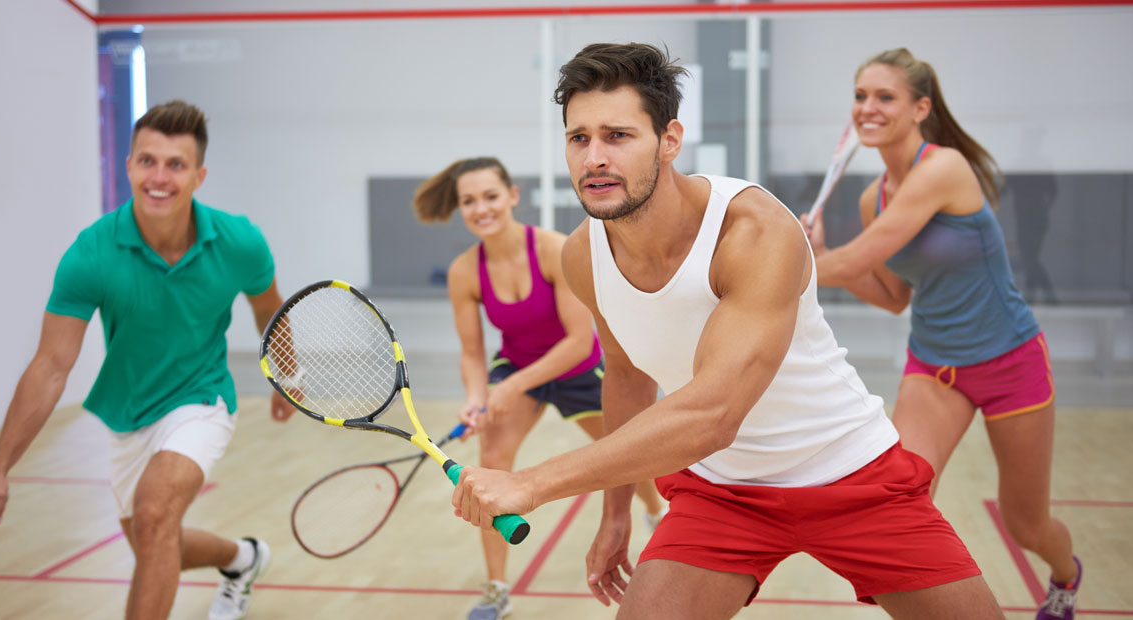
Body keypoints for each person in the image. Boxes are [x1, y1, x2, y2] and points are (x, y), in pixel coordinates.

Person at [450, 42, 1007, 619]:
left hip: (848, 470)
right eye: (578, 138)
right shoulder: (584, 256)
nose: (594, 158)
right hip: (722, 493)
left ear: (669, 140)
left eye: (617, 136)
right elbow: (626, 378)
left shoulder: (753, 230)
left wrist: (533, 483)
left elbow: (713, 415)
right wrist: (615, 516)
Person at [0, 100, 296, 620]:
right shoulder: (92, 253)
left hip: (201, 399)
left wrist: (283, 375)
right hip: (128, 413)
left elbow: (268, 307)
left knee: (155, 513)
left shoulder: (239, 242)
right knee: (153, 539)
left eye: (175, 164)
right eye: (147, 161)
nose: (159, 177)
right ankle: (242, 558)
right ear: (128, 166)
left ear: (199, 175)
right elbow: (52, 365)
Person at [800, 48, 1080, 619]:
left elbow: (862, 258)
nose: (868, 108)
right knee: (900, 502)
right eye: (860, 96)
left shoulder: (944, 168)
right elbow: (892, 295)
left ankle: (1066, 577)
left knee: (1025, 522)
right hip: (934, 367)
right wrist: (821, 254)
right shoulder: (869, 196)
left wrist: (781, 264)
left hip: (1011, 362)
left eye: (885, 97)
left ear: (919, 108)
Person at [412, 157, 666, 620]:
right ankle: (496, 590)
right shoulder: (464, 271)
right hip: (517, 367)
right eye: (469, 201)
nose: (480, 208)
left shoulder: (553, 249)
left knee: (627, 458)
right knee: (491, 466)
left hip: (577, 368)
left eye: (490, 196)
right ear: (460, 209)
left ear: (512, 196)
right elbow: (471, 353)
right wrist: (476, 396)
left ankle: (653, 512)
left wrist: (512, 388)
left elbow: (576, 342)